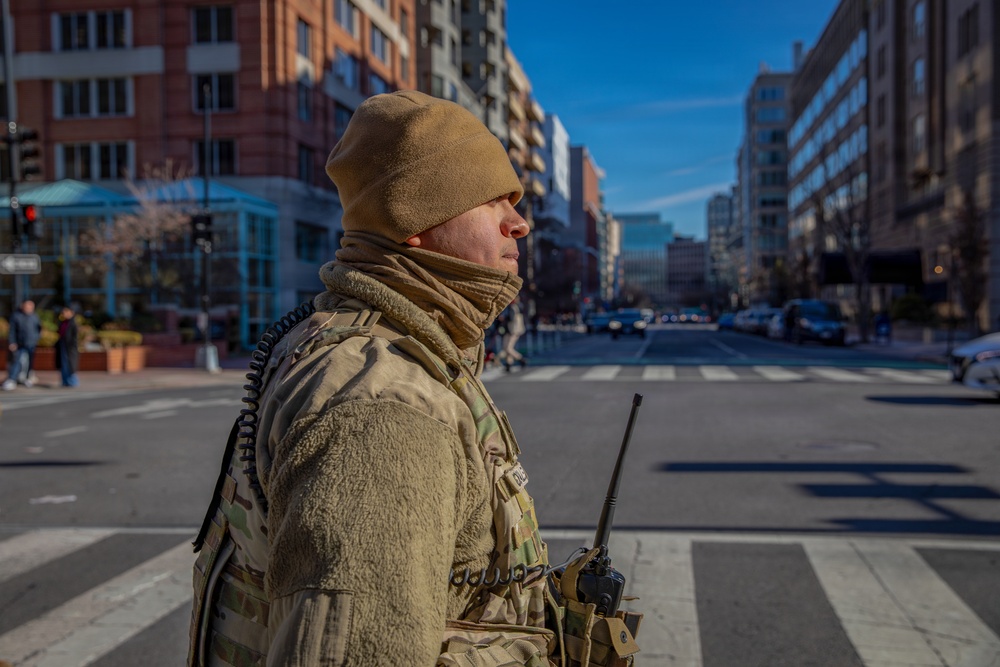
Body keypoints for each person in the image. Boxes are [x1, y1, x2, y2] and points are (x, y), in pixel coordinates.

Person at [189, 91, 642, 667]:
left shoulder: (385, 349)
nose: (519, 223)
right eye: (491, 200)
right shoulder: (383, 407)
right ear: (412, 221)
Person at [3, 299, 41, 390]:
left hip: (31, 343)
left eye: (31, 306)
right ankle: (12, 379)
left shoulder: (34, 317)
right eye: (27, 306)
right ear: (23, 306)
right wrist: (12, 342)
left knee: (29, 362)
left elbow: (39, 328)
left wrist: (36, 338)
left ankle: (27, 378)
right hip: (19, 343)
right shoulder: (16, 316)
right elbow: (12, 331)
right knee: (16, 361)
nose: (29, 308)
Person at [499, 295, 528, 371]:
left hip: (513, 330)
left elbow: (510, 318)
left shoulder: (514, 307)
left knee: (508, 348)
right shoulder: (516, 306)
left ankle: (521, 359)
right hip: (509, 329)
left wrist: (504, 318)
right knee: (506, 347)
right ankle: (509, 364)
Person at [55, 305, 79, 388]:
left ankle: (72, 381)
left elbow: (74, 337)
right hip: (63, 345)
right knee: (63, 364)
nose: (64, 314)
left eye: (66, 312)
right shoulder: (63, 322)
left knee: (70, 364)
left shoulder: (73, 323)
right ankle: (65, 381)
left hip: (70, 347)